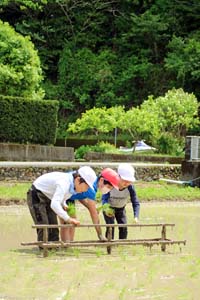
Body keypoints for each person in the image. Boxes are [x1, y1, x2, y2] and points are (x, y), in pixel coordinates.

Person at [27, 166, 97, 243]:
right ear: (78, 180)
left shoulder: (73, 187)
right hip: (37, 194)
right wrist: (68, 218)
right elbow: (54, 204)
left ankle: (54, 249)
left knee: (54, 228)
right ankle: (43, 250)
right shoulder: (64, 182)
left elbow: (62, 196)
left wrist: (63, 204)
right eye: (86, 187)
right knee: (44, 226)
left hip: (49, 196)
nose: (86, 190)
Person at [60, 168, 120, 242]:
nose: (109, 190)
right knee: (67, 220)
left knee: (72, 219)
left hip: (68, 196)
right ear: (101, 180)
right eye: (109, 187)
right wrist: (100, 235)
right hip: (61, 193)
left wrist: (89, 207)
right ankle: (65, 244)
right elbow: (94, 215)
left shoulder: (91, 182)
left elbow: (80, 195)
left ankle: (69, 243)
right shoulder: (91, 188)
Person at [102, 163, 140, 240]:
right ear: (118, 177)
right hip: (109, 208)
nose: (126, 183)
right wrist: (106, 209)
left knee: (123, 228)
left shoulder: (130, 188)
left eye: (129, 181)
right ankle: (109, 246)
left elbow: (135, 202)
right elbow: (104, 199)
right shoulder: (110, 184)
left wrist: (136, 216)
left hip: (121, 209)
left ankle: (122, 247)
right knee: (110, 227)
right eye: (124, 181)